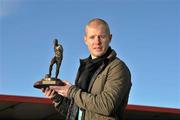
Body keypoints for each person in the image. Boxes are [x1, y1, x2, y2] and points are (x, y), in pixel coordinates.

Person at [42, 18, 132, 120]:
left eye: (101, 36)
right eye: (92, 37)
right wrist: (57, 98)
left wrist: (71, 91)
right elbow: (77, 114)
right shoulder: (85, 69)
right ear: (85, 40)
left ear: (110, 38)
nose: (97, 42)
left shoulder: (117, 68)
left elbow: (106, 106)